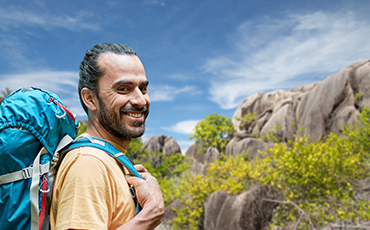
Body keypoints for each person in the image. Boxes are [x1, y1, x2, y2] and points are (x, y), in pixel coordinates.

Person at [50, 43, 164, 230]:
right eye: (123, 89)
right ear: (90, 99)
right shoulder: (88, 163)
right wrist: (151, 215)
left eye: (142, 89)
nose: (140, 100)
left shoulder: (108, 159)